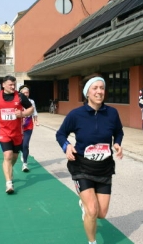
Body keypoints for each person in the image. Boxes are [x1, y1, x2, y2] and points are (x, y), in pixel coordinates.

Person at [56, 75, 124, 244]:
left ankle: (84, 205)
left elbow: (119, 132)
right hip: (82, 167)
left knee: (101, 214)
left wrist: (118, 144)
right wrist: (67, 146)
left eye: (102, 88)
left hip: (104, 168)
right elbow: (61, 133)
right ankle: (92, 241)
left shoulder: (112, 113)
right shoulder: (76, 115)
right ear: (87, 92)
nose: (99, 91)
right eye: (95, 88)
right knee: (92, 211)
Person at [0, 75, 34, 194]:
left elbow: (31, 108)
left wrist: (22, 113)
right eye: (10, 85)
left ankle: (8, 170)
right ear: (3, 85)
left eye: (14, 84)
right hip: (3, 131)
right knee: (8, 155)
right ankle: (9, 183)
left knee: (14, 157)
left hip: (17, 133)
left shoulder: (20, 96)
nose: (13, 87)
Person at [18, 84, 39, 172]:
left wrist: (36, 121)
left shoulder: (31, 101)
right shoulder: (17, 101)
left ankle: (25, 164)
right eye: (24, 92)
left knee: (25, 144)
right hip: (18, 126)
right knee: (20, 145)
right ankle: (23, 154)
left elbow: (34, 112)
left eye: (27, 92)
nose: (26, 94)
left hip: (28, 125)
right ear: (21, 93)